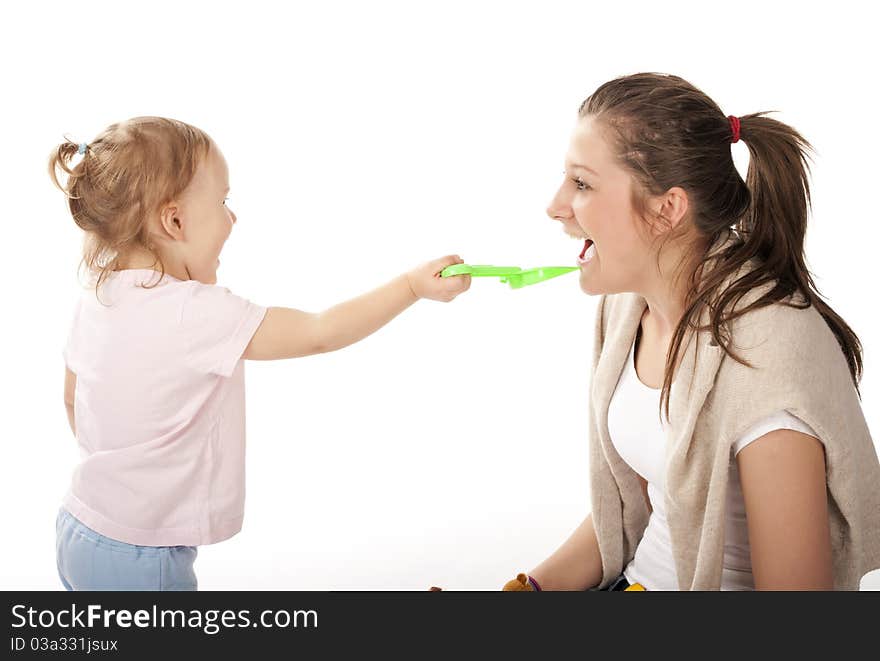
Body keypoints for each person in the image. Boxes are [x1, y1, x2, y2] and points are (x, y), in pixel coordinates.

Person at [50, 116, 471, 590]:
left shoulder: (99, 295)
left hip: (78, 525)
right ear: (174, 220)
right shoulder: (193, 313)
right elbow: (319, 332)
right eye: (223, 201)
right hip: (144, 561)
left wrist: (123, 477)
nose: (233, 218)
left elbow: (73, 397)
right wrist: (412, 286)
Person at [507, 73, 880, 591]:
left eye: (583, 183)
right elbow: (633, 505)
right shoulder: (629, 309)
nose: (556, 205)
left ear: (668, 210)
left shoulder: (765, 360)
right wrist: (529, 590)